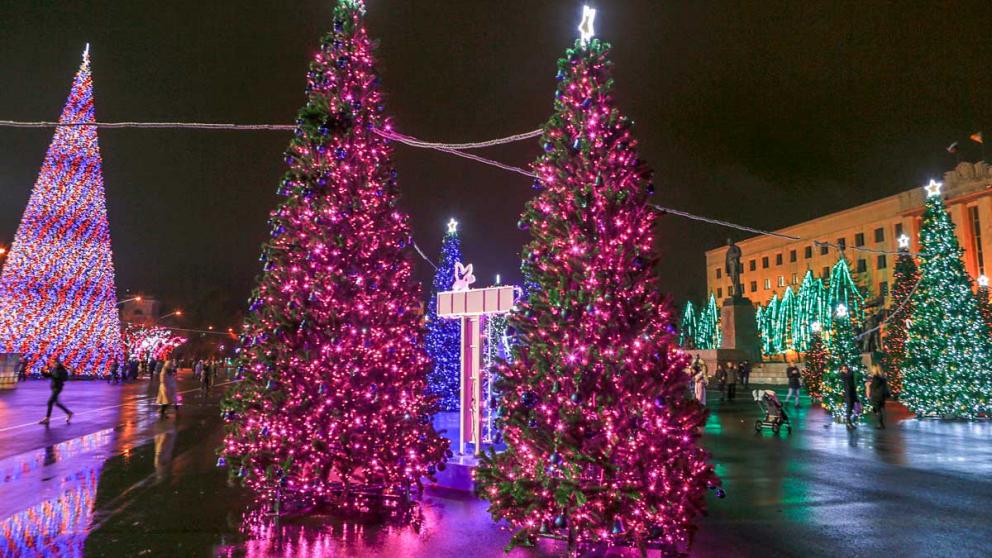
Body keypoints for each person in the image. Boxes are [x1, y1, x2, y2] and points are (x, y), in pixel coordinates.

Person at [39, 361, 73, 425]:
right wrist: (43, 371)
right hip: (54, 387)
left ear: (57, 364)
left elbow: (64, 378)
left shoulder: (62, 371)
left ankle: (47, 418)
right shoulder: (54, 369)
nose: (52, 365)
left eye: (53, 363)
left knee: (50, 402)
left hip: (58, 388)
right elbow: (48, 375)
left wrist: (52, 373)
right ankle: (69, 413)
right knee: (56, 403)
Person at [839, 364, 858, 429]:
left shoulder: (849, 374)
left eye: (846, 368)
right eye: (844, 369)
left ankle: (849, 423)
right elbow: (849, 375)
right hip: (848, 394)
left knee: (851, 408)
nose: (846, 370)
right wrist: (850, 371)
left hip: (852, 393)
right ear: (841, 370)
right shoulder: (843, 375)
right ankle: (848, 423)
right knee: (849, 408)